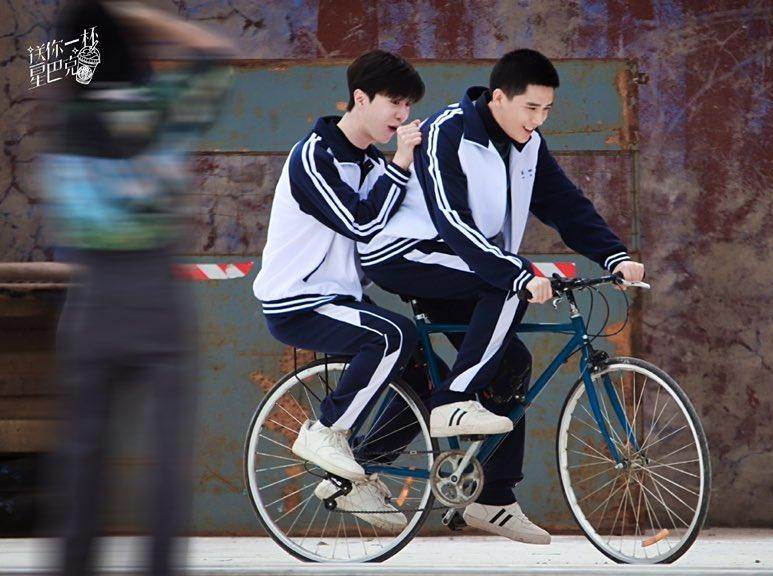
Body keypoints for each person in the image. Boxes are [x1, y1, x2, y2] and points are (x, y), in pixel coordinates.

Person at [357, 48, 645, 544]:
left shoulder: (529, 145)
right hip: (406, 254)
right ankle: (454, 400)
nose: (538, 120)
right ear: (498, 99)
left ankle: (489, 499)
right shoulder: (447, 133)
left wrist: (614, 255)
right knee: (507, 284)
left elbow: (566, 205)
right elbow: (451, 221)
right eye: (531, 108)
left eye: (547, 110)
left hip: (465, 264)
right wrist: (514, 273)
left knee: (512, 364)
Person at [40, 2, 234, 575]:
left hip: (92, 297)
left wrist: (96, 23)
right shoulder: (160, 107)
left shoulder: (67, 121)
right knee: (167, 461)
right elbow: (215, 54)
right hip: (157, 295)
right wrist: (135, 18)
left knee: (84, 458)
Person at [251, 50, 427, 531]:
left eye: (408, 105)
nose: (402, 115)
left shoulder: (371, 164)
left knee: (428, 377)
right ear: (360, 99)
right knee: (392, 336)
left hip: (341, 300)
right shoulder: (315, 155)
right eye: (394, 102)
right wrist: (402, 162)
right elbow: (362, 223)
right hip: (297, 301)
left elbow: (395, 225)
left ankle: (356, 478)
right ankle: (325, 430)